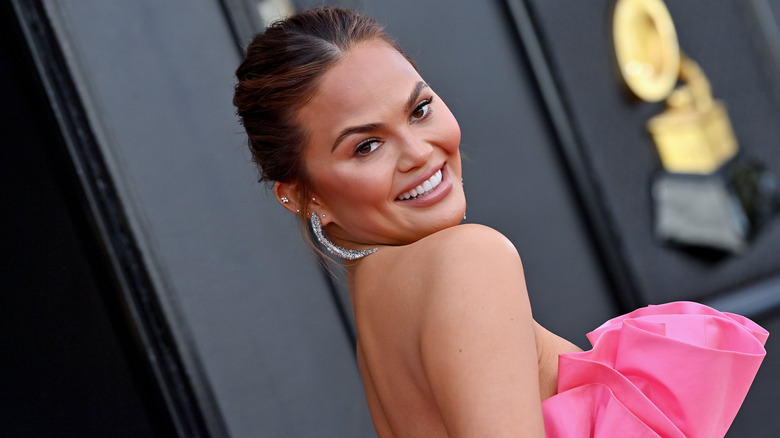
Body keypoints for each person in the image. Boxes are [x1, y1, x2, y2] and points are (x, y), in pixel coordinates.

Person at [233, 7, 767, 437]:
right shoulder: (468, 260)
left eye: (419, 110)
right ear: (304, 196)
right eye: (367, 145)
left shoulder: (380, 313)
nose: (420, 152)